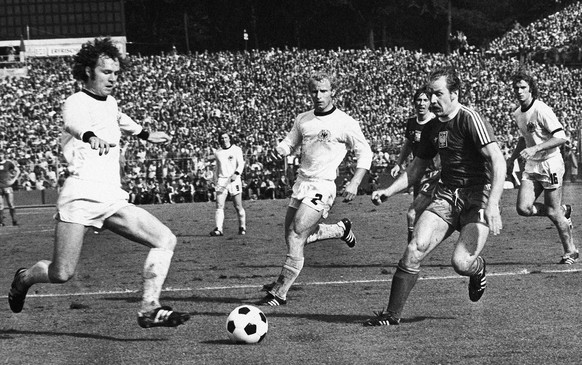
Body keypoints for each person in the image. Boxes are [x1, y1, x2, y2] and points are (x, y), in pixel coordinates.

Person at [7, 37, 190, 328]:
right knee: (61, 273)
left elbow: (119, 117)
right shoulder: (76, 100)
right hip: (80, 195)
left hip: (111, 198)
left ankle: (148, 308)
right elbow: (73, 123)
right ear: (89, 71)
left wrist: (145, 134)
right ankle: (24, 278)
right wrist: (91, 137)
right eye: (106, 72)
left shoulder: (112, 102)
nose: (113, 78)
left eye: (116, 73)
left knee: (165, 239)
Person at [365, 66, 506, 326]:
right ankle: (391, 315)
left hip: (478, 196)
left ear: (454, 93)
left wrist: (494, 203)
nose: (431, 100)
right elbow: (417, 168)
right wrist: (389, 191)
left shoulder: (470, 119)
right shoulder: (432, 127)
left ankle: (478, 269)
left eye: (438, 94)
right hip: (446, 196)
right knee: (414, 248)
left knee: (461, 263)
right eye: (430, 94)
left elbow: (498, 160)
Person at [258, 71, 373, 306]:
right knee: (292, 236)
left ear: (333, 92)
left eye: (323, 91)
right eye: (314, 91)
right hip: (302, 183)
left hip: (324, 185)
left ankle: (280, 291)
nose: (318, 95)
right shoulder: (303, 119)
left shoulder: (345, 122)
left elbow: (365, 152)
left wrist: (354, 182)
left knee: (297, 232)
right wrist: (280, 149)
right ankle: (340, 230)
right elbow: (290, 142)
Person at [506, 70, 577, 264]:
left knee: (553, 213)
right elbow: (524, 138)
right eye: (516, 88)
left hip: (550, 164)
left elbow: (561, 137)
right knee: (523, 208)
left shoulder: (541, 109)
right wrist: (511, 159)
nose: (519, 91)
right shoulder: (517, 114)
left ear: (531, 90)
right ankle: (561, 209)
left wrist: (536, 148)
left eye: (523, 88)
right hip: (532, 164)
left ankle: (570, 251)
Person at [390, 86, 440, 243]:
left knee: (419, 211)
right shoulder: (412, 122)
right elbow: (408, 144)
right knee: (416, 209)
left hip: (435, 173)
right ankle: (417, 241)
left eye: (425, 100)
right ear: (414, 102)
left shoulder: (435, 122)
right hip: (418, 172)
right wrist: (399, 163)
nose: (422, 103)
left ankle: (415, 241)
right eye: (419, 100)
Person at [209, 131, 247, 236]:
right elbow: (217, 168)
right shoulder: (218, 152)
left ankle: (242, 227)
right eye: (222, 138)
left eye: (226, 137)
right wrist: (215, 180)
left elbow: (241, 164)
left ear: (229, 138)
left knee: (238, 205)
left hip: (234, 180)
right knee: (219, 205)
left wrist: (236, 174)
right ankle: (218, 229)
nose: (224, 139)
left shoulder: (237, 149)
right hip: (222, 180)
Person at [0, 150, 20, 226]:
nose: (0, 156)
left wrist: (14, 180)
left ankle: (14, 221)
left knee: (11, 204)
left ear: (4, 155)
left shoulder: (8, 163)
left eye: (1, 154)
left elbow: (17, 170)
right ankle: (1, 222)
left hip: (7, 187)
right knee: (0, 205)